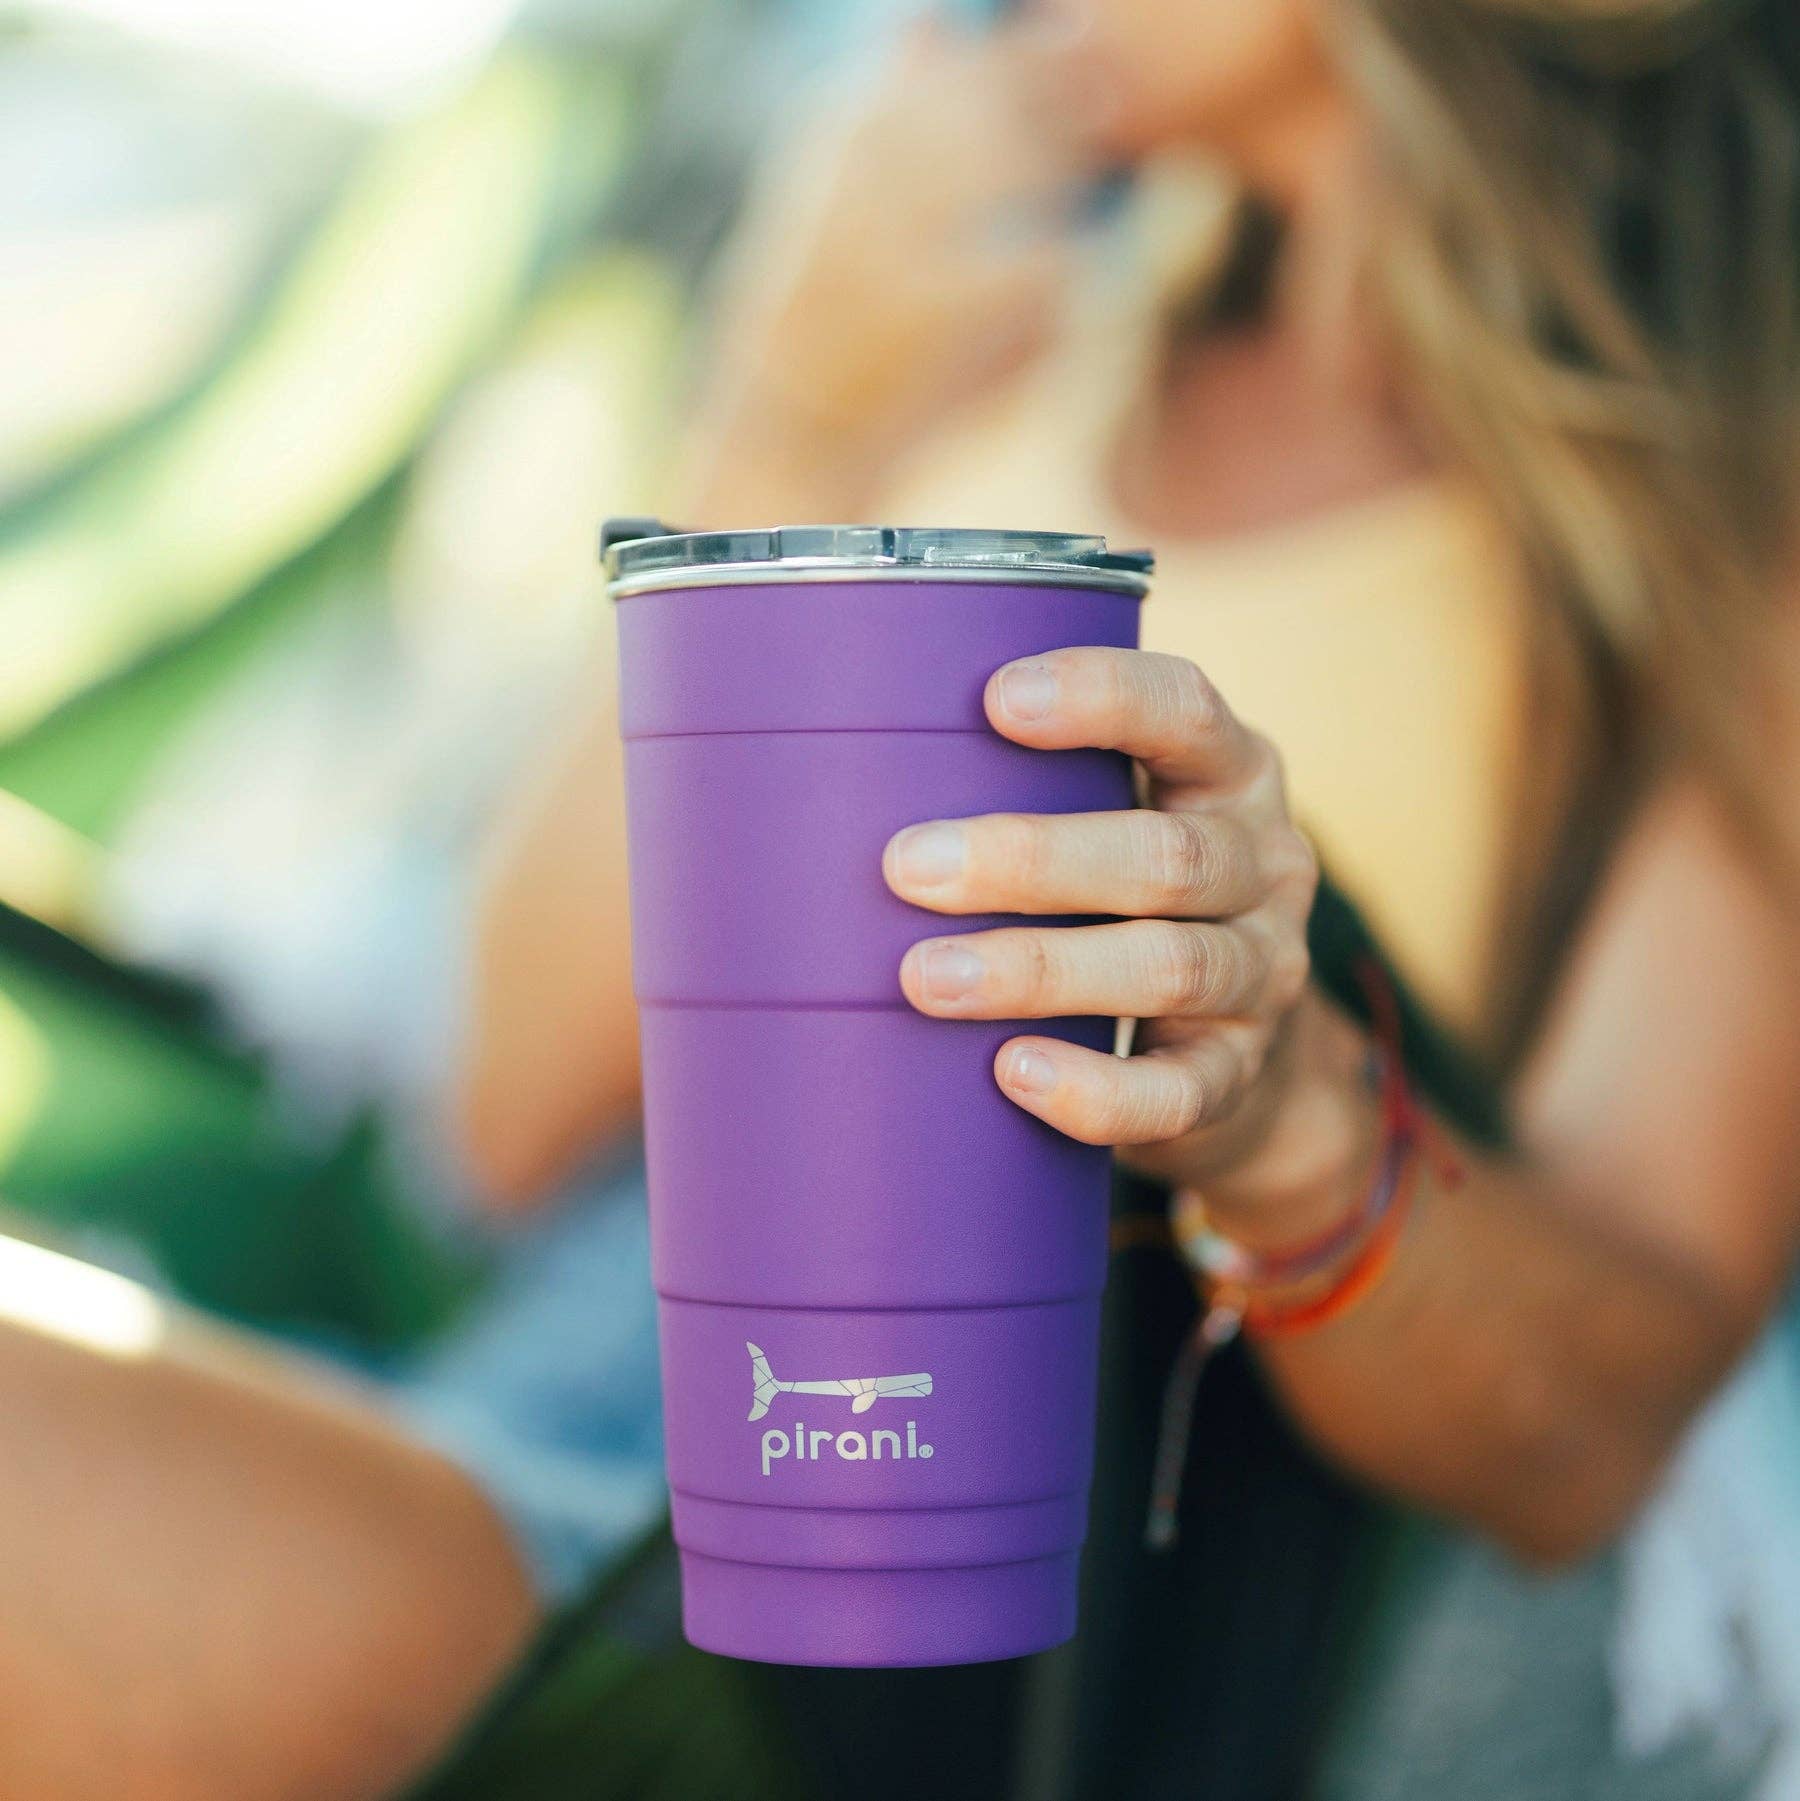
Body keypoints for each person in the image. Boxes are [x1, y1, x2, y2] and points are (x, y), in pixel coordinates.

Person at [465, 1, 1800, 1793]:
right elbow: (507, 1108)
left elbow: (1593, 1435)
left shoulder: (1731, 505)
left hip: (866, 1608)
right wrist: (787, 412)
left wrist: (1289, 1114)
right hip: (547, 1395)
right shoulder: (1011, 323)